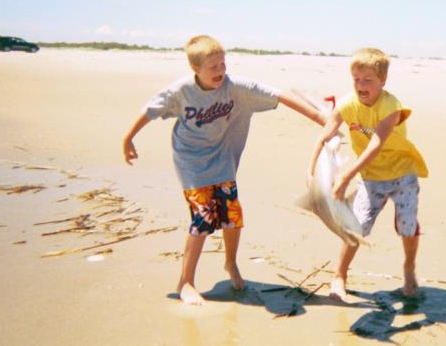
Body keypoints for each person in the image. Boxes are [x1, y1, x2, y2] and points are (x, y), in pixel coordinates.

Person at [123, 35, 325, 305]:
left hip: (221, 158)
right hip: (190, 160)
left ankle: (231, 263)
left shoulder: (234, 87)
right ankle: (186, 282)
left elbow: (278, 94)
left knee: (232, 216)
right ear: (195, 69)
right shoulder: (181, 90)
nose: (220, 71)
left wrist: (319, 118)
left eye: (223, 64)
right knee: (203, 217)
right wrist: (128, 139)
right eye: (213, 67)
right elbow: (150, 110)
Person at [307, 48, 428, 301]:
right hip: (371, 177)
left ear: (383, 80)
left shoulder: (392, 107)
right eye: (356, 79)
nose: (361, 85)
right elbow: (324, 137)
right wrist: (311, 174)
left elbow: (375, 144)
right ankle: (339, 275)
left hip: (402, 172)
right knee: (357, 226)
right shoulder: (347, 104)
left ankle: (409, 267)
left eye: (368, 80)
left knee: (407, 224)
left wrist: (346, 176)